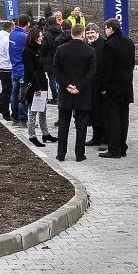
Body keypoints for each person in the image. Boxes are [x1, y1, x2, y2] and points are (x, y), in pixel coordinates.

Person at [53, 24, 96, 162]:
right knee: (81, 124)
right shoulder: (90, 51)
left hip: (65, 92)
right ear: (83, 34)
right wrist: (79, 86)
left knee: (64, 123)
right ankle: (79, 154)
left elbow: (56, 70)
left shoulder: (61, 50)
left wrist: (66, 85)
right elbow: (92, 72)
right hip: (82, 93)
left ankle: (61, 154)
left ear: (71, 33)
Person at [98, 18, 136, 159]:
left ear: (111, 29)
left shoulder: (109, 44)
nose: (105, 31)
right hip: (126, 86)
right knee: (123, 117)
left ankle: (114, 149)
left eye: (106, 28)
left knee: (112, 118)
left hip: (113, 87)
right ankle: (122, 147)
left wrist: (103, 87)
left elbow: (106, 69)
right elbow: (131, 64)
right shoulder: (129, 42)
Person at [84, 23, 107, 147]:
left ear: (98, 32)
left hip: (100, 85)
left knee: (101, 112)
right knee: (93, 112)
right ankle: (96, 137)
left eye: (92, 32)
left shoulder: (104, 44)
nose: (90, 35)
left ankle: (104, 138)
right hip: (90, 84)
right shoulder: (87, 44)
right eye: (88, 33)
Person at [8, 14, 31, 127]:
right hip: (23, 70)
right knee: (23, 95)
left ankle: (15, 118)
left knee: (14, 94)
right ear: (28, 23)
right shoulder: (25, 36)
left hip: (15, 68)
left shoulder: (12, 34)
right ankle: (23, 119)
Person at [41, 11, 65, 103]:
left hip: (49, 59)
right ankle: (60, 96)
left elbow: (43, 48)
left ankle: (55, 97)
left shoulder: (46, 34)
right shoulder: (61, 32)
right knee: (59, 78)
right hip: (60, 58)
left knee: (51, 78)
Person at [0, 21, 14, 121]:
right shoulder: (7, 39)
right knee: (8, 89)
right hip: (5, 67)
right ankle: (5, 111)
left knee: (5, 88)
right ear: (10, 28)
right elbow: (9, 53)